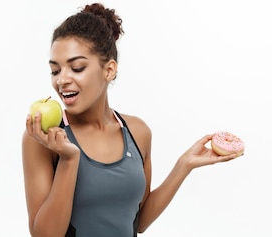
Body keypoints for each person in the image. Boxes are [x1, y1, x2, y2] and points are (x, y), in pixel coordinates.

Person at [21, 3, 243, 237]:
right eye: (55, 71)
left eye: (76, 68)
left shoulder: (137, 132)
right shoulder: (45, 136)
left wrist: (183, 166)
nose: (62, 80)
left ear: (109, 70)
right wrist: (68, 159)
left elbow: (138, 222)